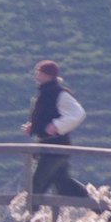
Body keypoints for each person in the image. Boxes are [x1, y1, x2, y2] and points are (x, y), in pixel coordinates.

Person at [24, 60, 93, 205]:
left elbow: (78, 113)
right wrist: (34, 128)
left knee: (36, 186)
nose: (36, 77)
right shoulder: (46, 93)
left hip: (55, 149)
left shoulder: (58, 93)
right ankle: (103, 209)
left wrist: (57, 125)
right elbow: (45, 118)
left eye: (40, 74)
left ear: (49, 76)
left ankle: (27, 219)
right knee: (64, 185)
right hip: (51, 148)